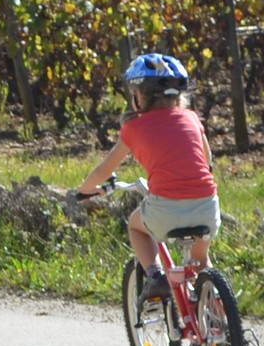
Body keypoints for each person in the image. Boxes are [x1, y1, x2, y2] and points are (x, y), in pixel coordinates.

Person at [76, 52, 220, 292]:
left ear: (140, 96)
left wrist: (84, 189)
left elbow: (105, 169)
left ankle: (155, 276)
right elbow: (207, 161)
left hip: (166, 210)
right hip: (207, 206)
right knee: (202, 262)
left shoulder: (134, 128)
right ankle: (221, 321)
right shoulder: (192, 119)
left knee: (135, 225)